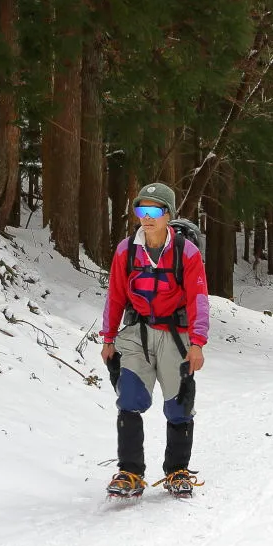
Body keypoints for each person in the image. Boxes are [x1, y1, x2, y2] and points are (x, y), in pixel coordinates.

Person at [100, 182, 209, 499]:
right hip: (136, 333)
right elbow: (115, 296)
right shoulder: (126, 250)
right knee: (129, 398)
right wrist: (108, 339)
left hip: (176, 336)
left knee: (179, 404)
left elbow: (198, 299)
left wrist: (197, 343)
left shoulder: (186, 252)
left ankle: (177, 470)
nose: (146, 218)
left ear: (168, 214)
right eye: (140, 210)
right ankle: (130, 472)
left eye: (153, 211)